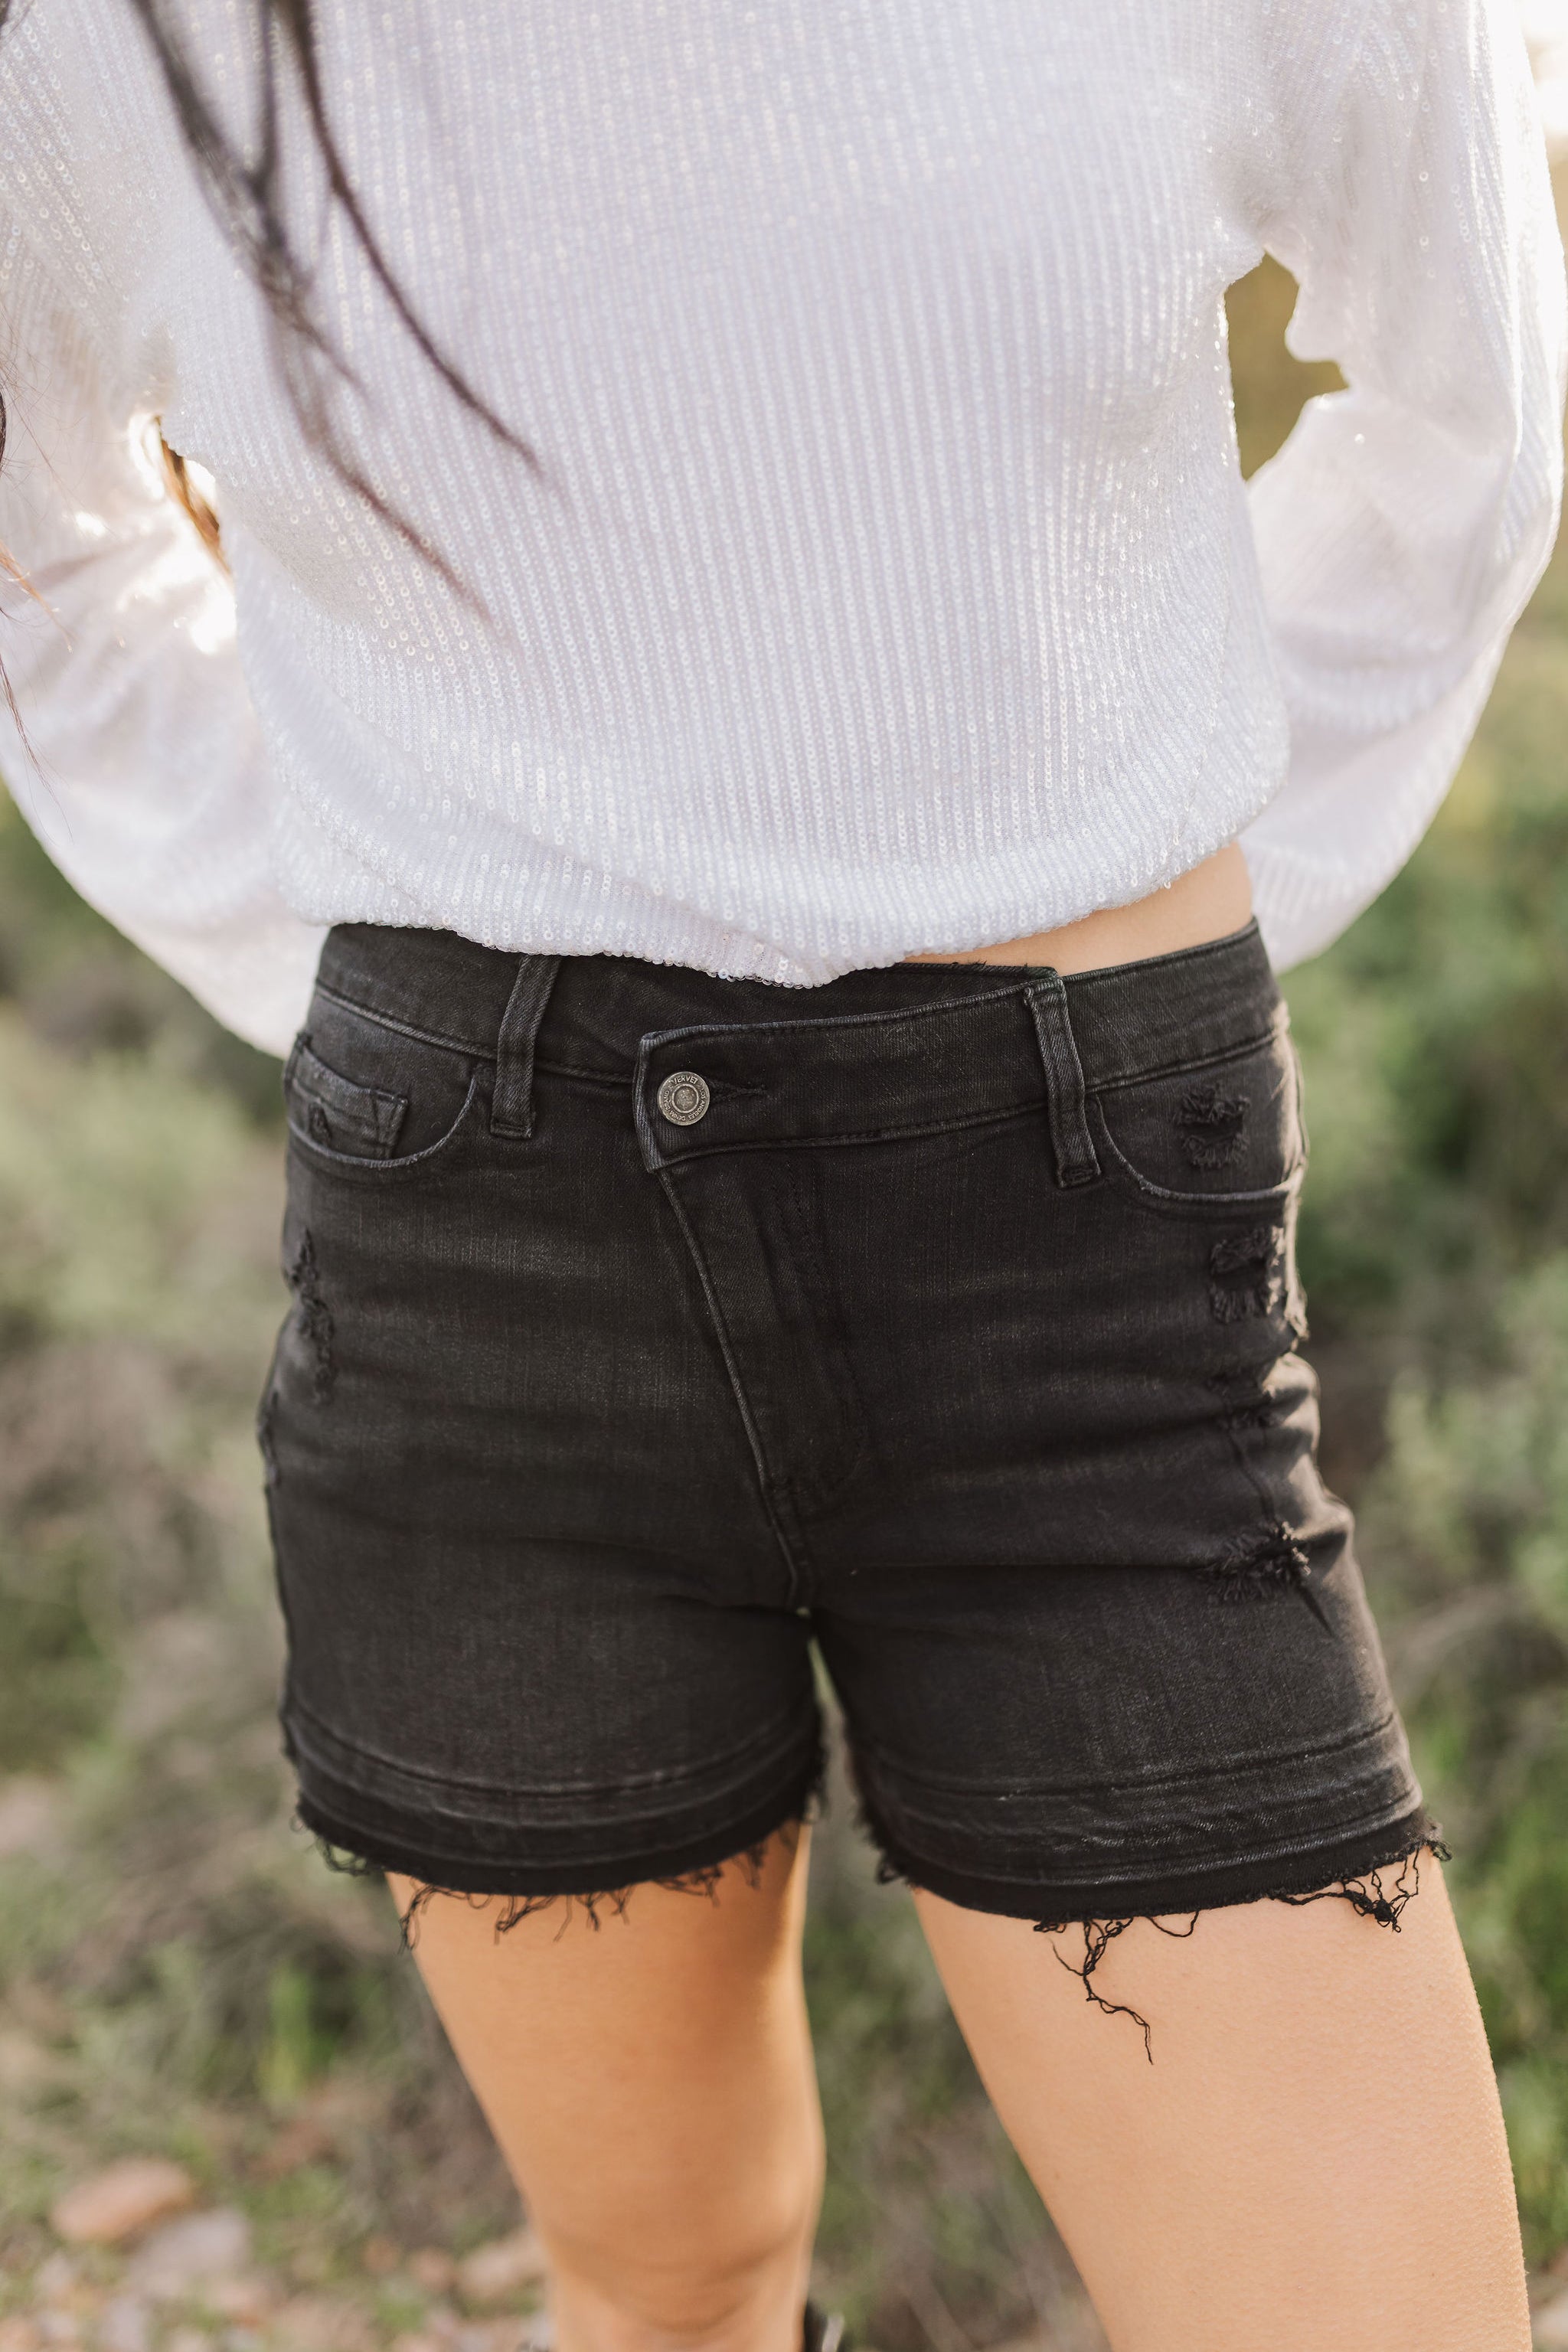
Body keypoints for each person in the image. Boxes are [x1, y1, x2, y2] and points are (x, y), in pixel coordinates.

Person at [1, 1, 1563, 2344]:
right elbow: (45, 566)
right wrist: (361, 952)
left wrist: (1198, 874)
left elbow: (1471, 413)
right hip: (492, 1274)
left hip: (1079, 1287)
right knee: (680, 2293)